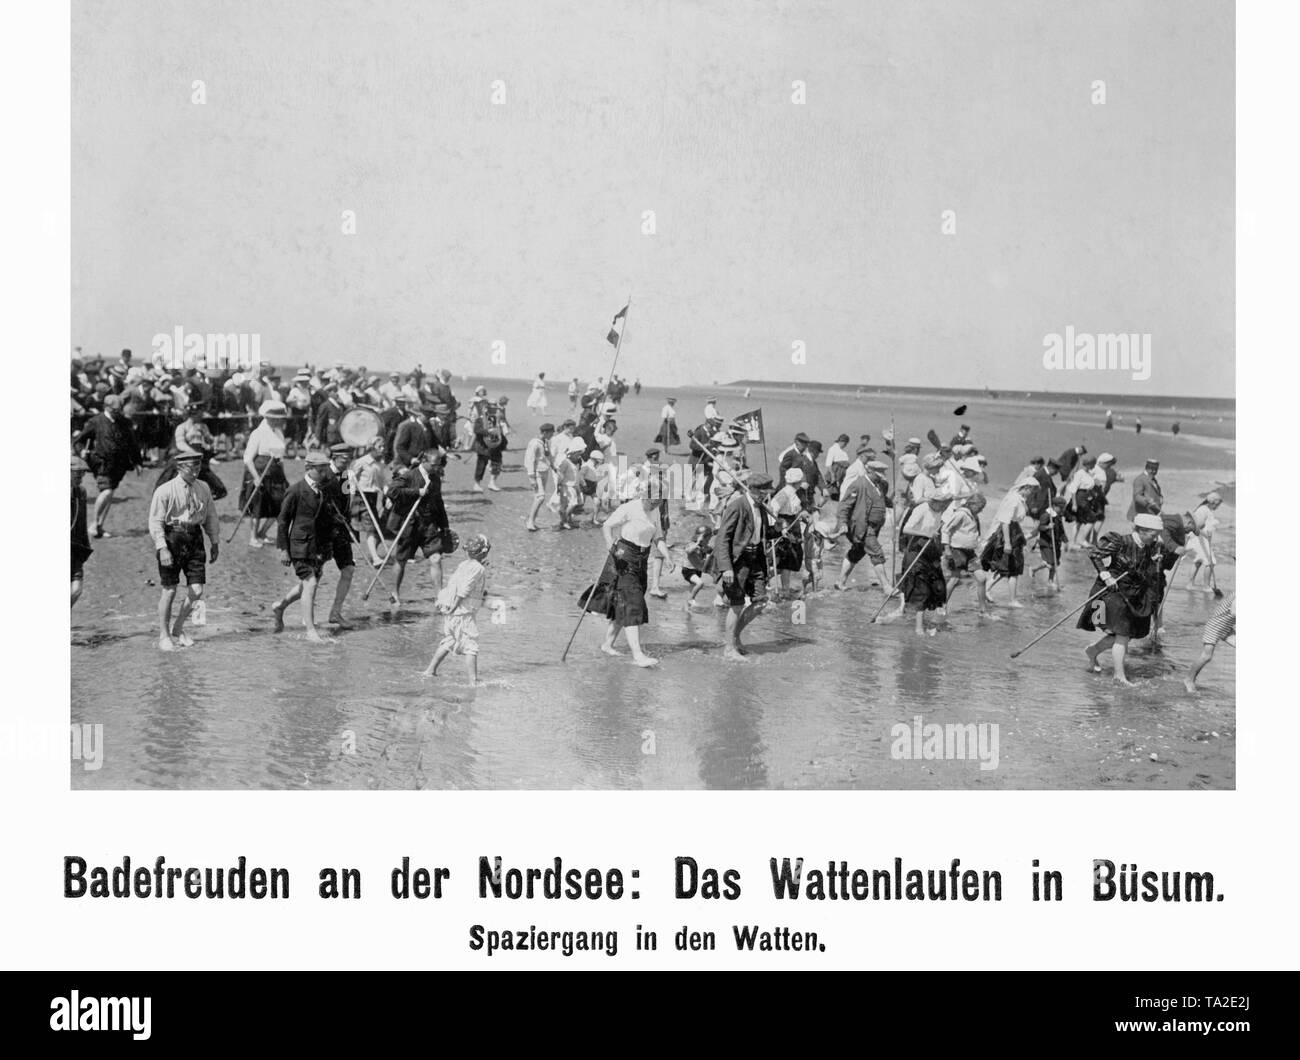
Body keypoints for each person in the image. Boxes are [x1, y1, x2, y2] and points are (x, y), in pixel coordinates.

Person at [582, 481, 673, 667]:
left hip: (642, 559)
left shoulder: (655, 511)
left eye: (660, 500)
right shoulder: (630, 508)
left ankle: (607, 644)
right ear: (646, 495)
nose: (657, 504)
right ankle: (638, 655)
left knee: (623, 603)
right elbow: (607, 525)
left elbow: (658, 537)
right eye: (655, 500)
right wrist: (608, 543)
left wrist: (668, 556)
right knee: (633, 604)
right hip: (624, 558)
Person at [147, 448, 220, 651]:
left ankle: (177, 628)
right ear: (179, 467)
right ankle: (164, 635)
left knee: (196, 590)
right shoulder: (164, 490)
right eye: (191, 466)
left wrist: (214, 541)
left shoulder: (203, 487)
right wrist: (162, 548)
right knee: (169, 589)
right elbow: (155, 522)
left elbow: (211, 516)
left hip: (195, 538)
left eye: (198, 466)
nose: (195, 470)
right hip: (172, 538)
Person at [1079, 513, 1165, 685]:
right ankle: (1119, 676)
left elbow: (1141, 567)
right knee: (1123, 635)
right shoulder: (1119, 541)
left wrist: (1153, 560)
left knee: (1123, 635)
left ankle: (1093, 651)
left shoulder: (1149, 546)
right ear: (1140, 530)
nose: (1156, 539)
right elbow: (1095, 554)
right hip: (1111, 592)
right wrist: (1106, 576)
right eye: (1153, 535)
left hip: (1133, 596)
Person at [271, 451, 334, 643]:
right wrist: (283, 549)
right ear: (309, 468)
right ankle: (311, 630)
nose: (325, 474)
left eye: (326, 470)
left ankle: (280, 607)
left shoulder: (323, 490)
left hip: (318, 547)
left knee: (305, 586)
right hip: (298, 546)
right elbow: (283, 521)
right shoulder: (295, 490)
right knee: (311, 583)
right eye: (321, 470)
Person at [715, 472, 775, 660]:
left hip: (756, 558)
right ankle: (729, 648)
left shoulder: (761, 507)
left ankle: (734, 637)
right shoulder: (737, 506)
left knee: (761, 601)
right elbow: (722, 539)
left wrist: (779, 529)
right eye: (764, 492)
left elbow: (761, 533)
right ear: (754, 490)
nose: (766, 495)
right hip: (737, 561)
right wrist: (726, 568)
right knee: (737, 604)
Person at [386, 448, 455, 605]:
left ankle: (439, 596)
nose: (437, 468)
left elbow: (439, 502)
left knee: (436, 558)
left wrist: (444, 526)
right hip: (409, 525)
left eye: (439, 465)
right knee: (401, 560)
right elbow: (392, 491)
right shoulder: (409, 475)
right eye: (434, 465)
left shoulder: (435, 478)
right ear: (424, 461)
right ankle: (394, 592)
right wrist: (417, 491)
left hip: (429, 525)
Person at [421, 534, 492, 684]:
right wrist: (455, 606)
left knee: (450, 640)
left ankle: (430, 670)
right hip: (462, 611)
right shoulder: (478, 568)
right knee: (471, 645)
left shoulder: (464, 565)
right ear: (484, 553)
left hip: (454, 611)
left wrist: (447, 604)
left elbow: (456, 583)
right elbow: (464, 589)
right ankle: (473, 682)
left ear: (467, 552)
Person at [882, 489, 951, 634]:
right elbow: (907, 529)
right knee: (922, 590)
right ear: (933, 501)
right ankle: (919, 628)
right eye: (942, 502)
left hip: (931, 551)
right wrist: (927, 534)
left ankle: (936, 621)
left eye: (945, 502)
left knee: (939, 587)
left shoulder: (940, 510)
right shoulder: (921, 509)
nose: (944, 505)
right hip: (916, 551)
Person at [75, 393, 143, 538]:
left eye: (118, 410)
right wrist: (81, 451)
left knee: (110, 493)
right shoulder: (95, 421)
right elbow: (79, 439)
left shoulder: (124, 422)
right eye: (114, 410)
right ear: (106, 407)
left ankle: (100, 526)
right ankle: (94, 524)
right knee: (106, 491)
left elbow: (132, 443)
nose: (116, 413)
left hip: (119, 464)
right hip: (101, 462)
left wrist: (137, 462)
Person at [979, 476, 1037, 608]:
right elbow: (1005, 521)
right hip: (1008, 533)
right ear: (1026, 488)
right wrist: (1007, 543)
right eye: (1031, 491)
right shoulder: (1013, 499)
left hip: (1014, 531)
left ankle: (988, 588)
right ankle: (1012, 600)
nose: (1032, 494)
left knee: (1006, 565)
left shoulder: (1020, 499)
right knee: (1014, 568)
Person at [317, 443, 359, 628]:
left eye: (349, 458)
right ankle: (295, 609)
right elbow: (315, 503)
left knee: (348, 570)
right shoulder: (323, 476)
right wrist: (332, 514)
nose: (348, 461)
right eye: (344, 458)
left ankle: (335, 612)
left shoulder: (346, 476)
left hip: (341, 531)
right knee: (313, 576)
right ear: (334, 457)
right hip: (323, 533)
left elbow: (346, 504)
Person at [833, 463, 890, 594]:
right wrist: (842, 523)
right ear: (870, 471)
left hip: (875, 527)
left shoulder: (880, 485)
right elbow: (844, 506)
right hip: (863, 526)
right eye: (878, 473)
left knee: (858, 552)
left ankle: (840, 582)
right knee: (877, 553)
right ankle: (887, 586)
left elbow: (881, 499)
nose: (881, 477)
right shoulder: (858, 485)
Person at [240, 400, 289, 548]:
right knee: (257, 506)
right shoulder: (258, 433)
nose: (279, 421)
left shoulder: (278, 432)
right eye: (276, 419)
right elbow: (247, 458)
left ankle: (262, 533)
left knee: (281, 505)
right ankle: (253, 537)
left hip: (276, 473)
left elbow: (281, 455)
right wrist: (255, 477)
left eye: (280, 419)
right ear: (268, 418)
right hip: (259, 472)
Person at [1184, 593, 1235, 692]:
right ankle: (1189, 679)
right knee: (1206, 656)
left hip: (1226, 628)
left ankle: (1191, 679)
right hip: (1215, 627)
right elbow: (1234, 612)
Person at [1187, 491, 1224, 591]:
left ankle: (1190, 585)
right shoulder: (1203, 510)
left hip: (1202, 539)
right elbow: (1196, 526)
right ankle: (1206, 586)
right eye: (1217, 504)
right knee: (1210, 562)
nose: (1218, 506)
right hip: (1199, 539)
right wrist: (1205, 534)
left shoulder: (1207, 510)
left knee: (1198, 561)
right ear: (1212, 502)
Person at [524, 423, 556, 531]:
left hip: (544, 472)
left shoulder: (545, 442)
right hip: (536, 473)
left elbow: (548, 455)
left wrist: (554, 467)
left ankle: (532, 520)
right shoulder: (534, 443)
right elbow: (529, 460)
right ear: (545, 432)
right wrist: (531, 477)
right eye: (551, 433)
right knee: (540, 497)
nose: (552, 435)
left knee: (537, 497)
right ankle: (530, 521)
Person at [71, 455, 93, 608]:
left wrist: (85, 545)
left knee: (77, 589)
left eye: (82, 473)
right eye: (76, 472)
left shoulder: (81, 492)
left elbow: (82, 519)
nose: (80, 477)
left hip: (75, 548)